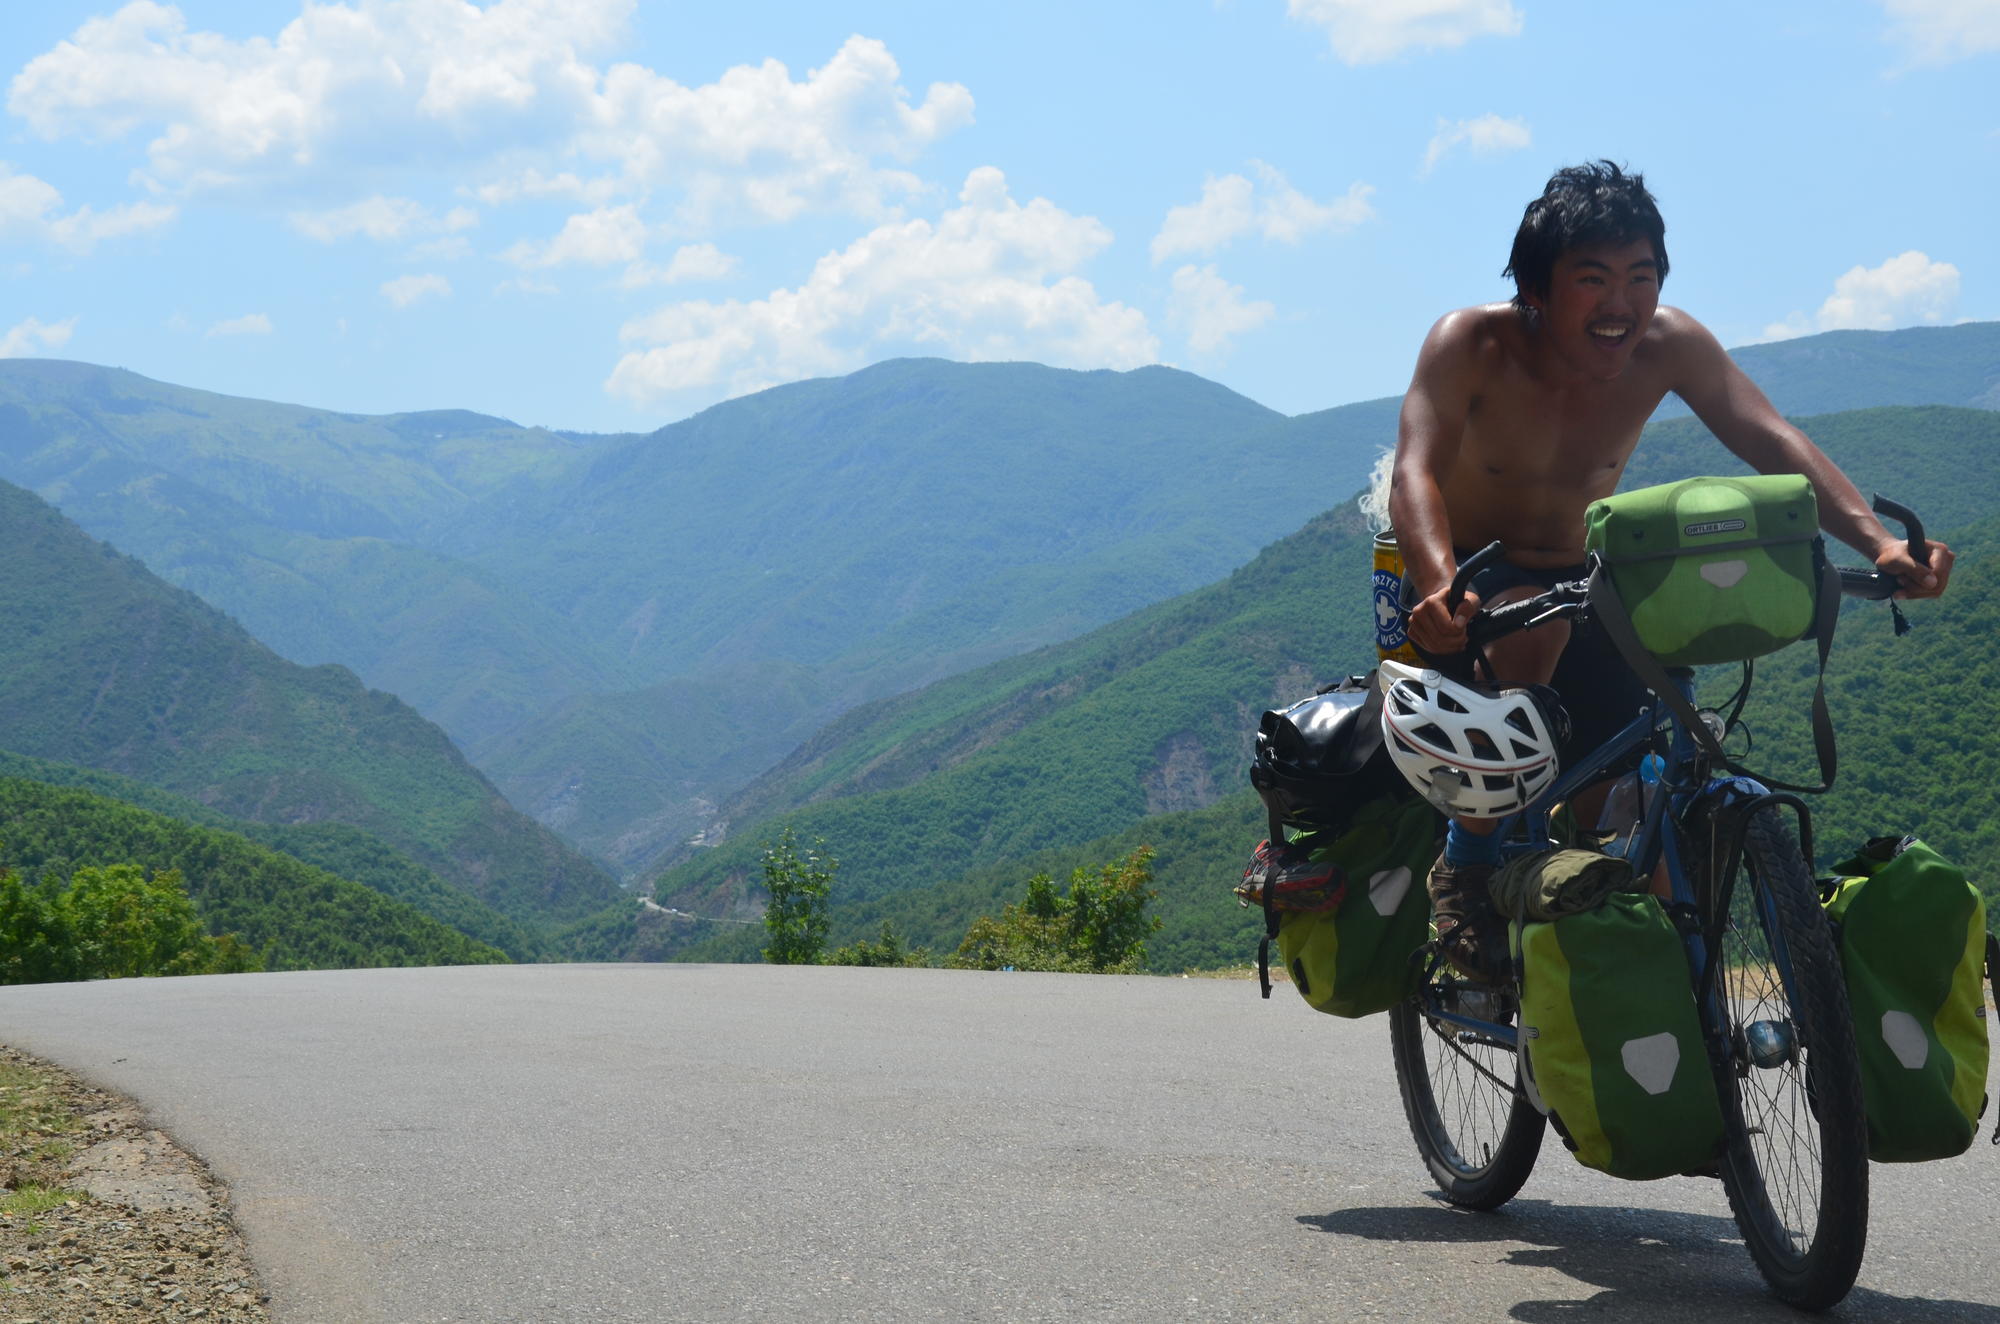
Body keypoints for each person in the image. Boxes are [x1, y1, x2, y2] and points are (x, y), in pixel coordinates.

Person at [1388, 160, 1955, 981]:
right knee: (1537, 636)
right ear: (1536, 289)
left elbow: (1773, 443)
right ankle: (1466, 862)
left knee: (1649, 793)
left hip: (1589, 582)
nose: (1621, 304)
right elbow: (1417, 471)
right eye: (1593, 279)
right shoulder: (1470, 344)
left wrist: (1879, 547)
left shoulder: (1670, 345)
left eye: (1641, 276)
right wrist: (1441, 583)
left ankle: (1672, 1023)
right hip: (1467, 588)